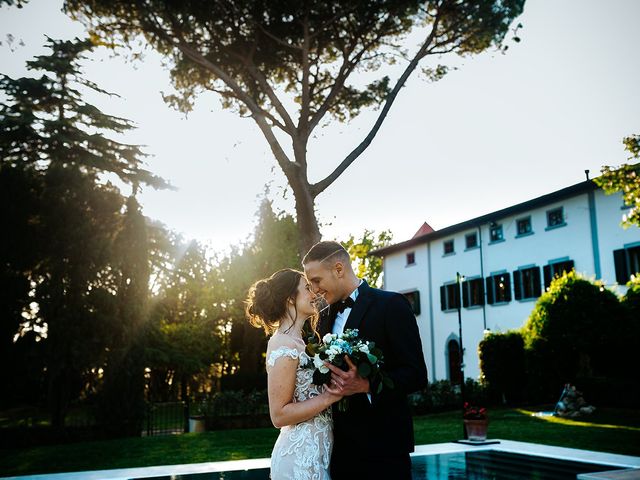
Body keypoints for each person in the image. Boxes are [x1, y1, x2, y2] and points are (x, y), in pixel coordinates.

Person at [303, 241, 428, 480]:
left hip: (384, 452)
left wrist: (367, 385)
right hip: (339, 452)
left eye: (317, 280)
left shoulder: (391, 305)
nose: (315, 289)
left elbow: (416, 375)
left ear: (338, 269)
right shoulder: (322, 318)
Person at [246, 268, 342, 480]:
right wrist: (331, 396)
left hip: (319, 453)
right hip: (298, 458)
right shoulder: (282, 344)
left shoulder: (304, 343)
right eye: (307, 288)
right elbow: (279, 415)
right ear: (290, 298)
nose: (314, 293)